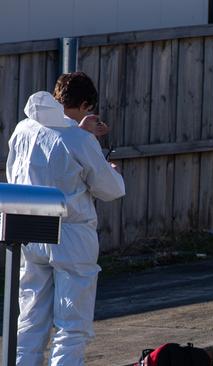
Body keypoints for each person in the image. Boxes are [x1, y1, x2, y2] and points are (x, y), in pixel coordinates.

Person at [6, 72, 125, 366]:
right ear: (85, 104)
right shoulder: (79, 139)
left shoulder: (24, 129)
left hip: (29, 228)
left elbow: (13, 171)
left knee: (31, 319)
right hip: (71, 234)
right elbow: (110, 189)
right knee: (72, 325)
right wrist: (110, 167)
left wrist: (82, 131)